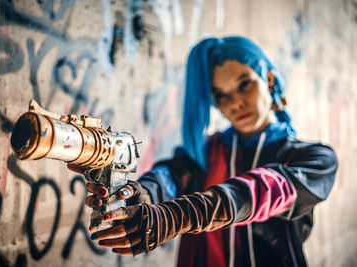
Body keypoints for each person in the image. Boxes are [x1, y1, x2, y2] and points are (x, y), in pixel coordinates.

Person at [68, 36, 338, 267]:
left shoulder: (315, 159)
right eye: (220, 95)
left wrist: (179, 216)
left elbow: (262, 190)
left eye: (245, 84)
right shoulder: (205, 152)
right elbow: (168, 176)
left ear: (268, 79)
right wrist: (136, 196)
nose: (234, 103)